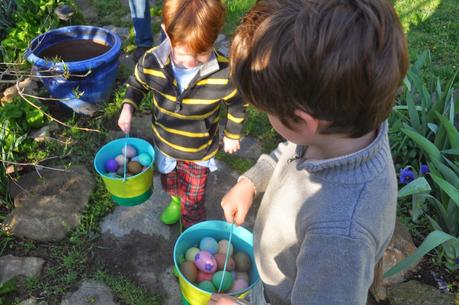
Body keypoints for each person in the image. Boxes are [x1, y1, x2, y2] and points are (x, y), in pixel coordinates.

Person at [209, 0, 408, 305]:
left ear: (303, 122)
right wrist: (252, 181)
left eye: (268, 112)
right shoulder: (348, 128)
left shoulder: (340, 236)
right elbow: (291, 148)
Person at [118, 0, 246, 229]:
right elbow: (136, 85)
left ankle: (191, 230)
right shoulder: (152, 61)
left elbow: (237, 103)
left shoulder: (223, 73)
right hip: (165, 144)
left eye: (201, 54)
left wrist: (232, 134)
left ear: (214, 39)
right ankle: (176, 201)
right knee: (169, 184)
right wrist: (128, 107)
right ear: (167, 34)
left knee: (194, 200)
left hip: (199, 151)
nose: (190, 62)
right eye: (184, 53)